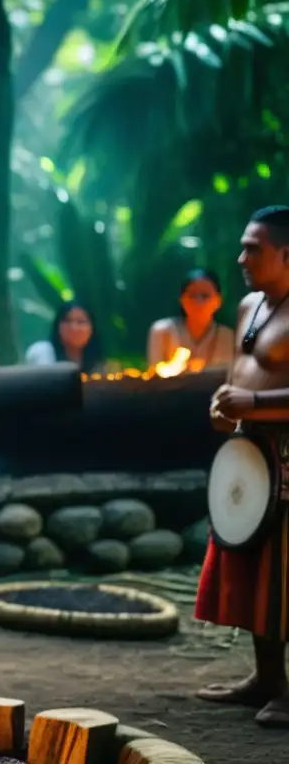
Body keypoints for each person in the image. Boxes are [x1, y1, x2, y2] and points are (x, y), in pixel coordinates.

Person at [197, 205, 289, 728]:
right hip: (248, 453)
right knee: (258, 568)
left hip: (286, 453)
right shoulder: (249, 305)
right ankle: (269, 679)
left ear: (286, 253)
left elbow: (254, 395)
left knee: (288, 569)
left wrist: (254, 406)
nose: (241, 258)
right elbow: (238, 375)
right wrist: (222, 407)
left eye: (252, 248)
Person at [147, 268, 235, 370]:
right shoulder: (162, 332)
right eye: (192, 295)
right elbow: (155, 374)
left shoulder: (226, 336)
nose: (198, 301)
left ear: (218, 301)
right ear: (182, 299)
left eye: (205, 296)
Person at [24, 300, 104, 372]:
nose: (74, 328)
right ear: (58, 325)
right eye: (67, 321)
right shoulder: (41, 352)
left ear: (92, 328)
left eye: (81, 322)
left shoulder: (100, 363)